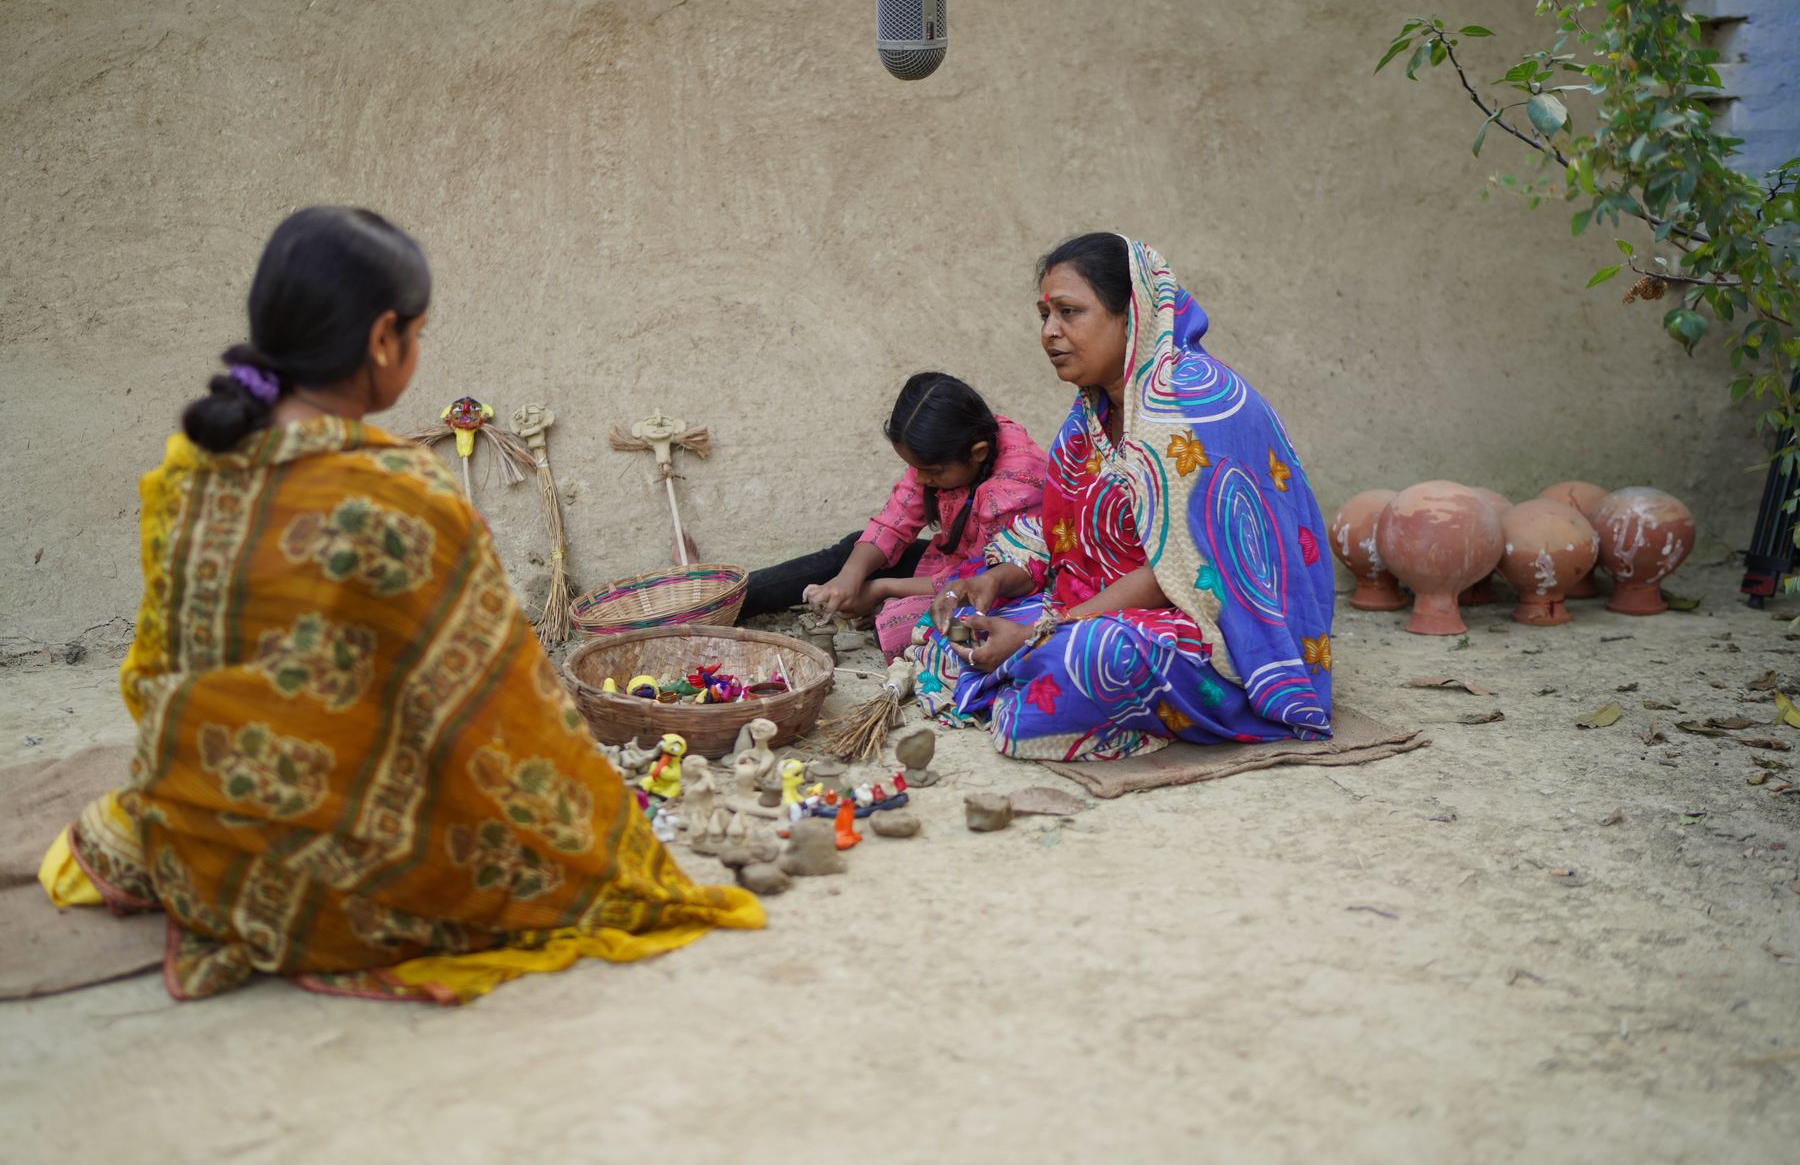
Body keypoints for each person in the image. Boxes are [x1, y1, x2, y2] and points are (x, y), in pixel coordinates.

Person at [37, 207, 761, 1003]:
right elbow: (508, 717)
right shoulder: (404, 501)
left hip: (206, 854)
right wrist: (606, 839)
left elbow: (158, 671)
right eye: (418, 333)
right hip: (341, 897)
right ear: (384, 339)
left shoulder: (190, 471)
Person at [910, 233, 1335, 761]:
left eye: (1070, 312)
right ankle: (1043, 666)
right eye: (1044, 314)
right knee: (948, 628)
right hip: (1107, 606)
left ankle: (1052, 673)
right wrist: (991, 580)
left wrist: (1038, 634)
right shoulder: (1088, 418)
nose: (1049, 332)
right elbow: (1062, 537)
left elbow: (1185, 570)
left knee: (1085, 659)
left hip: (1214, 627)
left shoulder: (1188, 410)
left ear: (1131, 314)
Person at [739, 371, 1048, 661]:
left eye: (932, 472)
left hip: (998, 588)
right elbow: (895, 519)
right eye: (917, 470)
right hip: (951, 564)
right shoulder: (955, 441)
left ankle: (893, 615)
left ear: (978, 453)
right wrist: (849, 578)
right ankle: (730, 599)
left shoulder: (1013, 488)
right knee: (853, 554)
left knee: (939, 631)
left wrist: (880, 589)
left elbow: (972, 580)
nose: (922, 480)